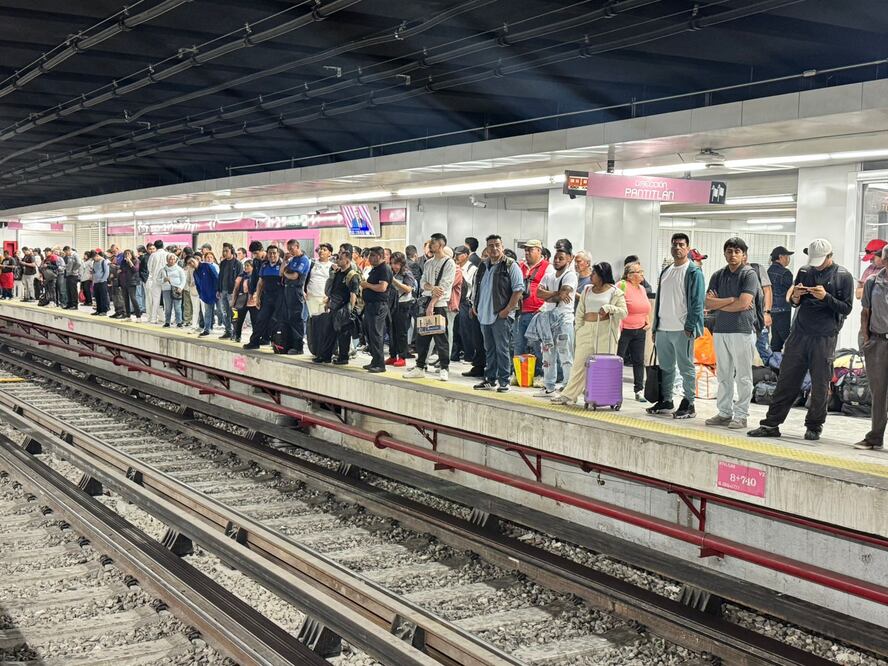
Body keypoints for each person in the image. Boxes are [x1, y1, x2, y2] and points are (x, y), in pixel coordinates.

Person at [748, 239, 854, 442]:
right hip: (799, 333)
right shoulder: (805, 271)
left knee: (820, 383)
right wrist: (795, 297)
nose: (817, 265)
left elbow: (846, 308)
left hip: (824, 336)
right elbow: (796, 302)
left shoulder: (843, 276)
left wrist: (826, 297)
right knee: (787, 379)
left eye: (821, 261)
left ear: (830, 256)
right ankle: (771, 424)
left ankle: (814, 426)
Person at [647, 232, 706, 420]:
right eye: (674, 245)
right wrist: (656, 327)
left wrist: (690, 326)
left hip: (682, 329)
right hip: (664, 328)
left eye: (681, 244)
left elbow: (698, 302)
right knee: (666, 367)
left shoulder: (693, 272)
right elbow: (660, 301)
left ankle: (689, 402)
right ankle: (666, 400)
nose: (677, 248)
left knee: (686, 367)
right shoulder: (666, 271)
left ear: (688, 248)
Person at [551, 262, 627, 405]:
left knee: (603, 366)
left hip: (605, 333)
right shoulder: (587, 290)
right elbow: (580, 312)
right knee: (579, 364)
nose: (591, 276)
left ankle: (601, 397)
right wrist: (579, 329)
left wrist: (610, 308)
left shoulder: (615, 292)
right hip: (586, 330)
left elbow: (624, 312)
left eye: (594, 274)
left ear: (602, 276)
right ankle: (569, 395)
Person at [704, 238, 759, 430]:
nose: (732, 255)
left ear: (744, 254)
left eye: (737, 251)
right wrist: (731, 300)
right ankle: (724, 413)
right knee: (724, 375)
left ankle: (741, 415)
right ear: (724, 253)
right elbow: (708, 303)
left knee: (743, 376)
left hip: (742, 330)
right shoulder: (718, 275)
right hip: (720, 330)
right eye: (729, 251)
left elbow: (744, 304)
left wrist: (721, 304)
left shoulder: (749, 275)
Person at [472, 235, 524, 393]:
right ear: (486, 248)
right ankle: (490, 379)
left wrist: (507, 310)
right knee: (489, 349)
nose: (494, 248)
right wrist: (475, 305)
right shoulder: (483, 265)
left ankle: (504, 380)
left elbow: (518, 289)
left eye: (497, 245)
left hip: (500, 315)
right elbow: (477, 286)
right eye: (490, 246)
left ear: (502, 246)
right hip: (484, 314)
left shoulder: (510, 265)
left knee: (502, 349)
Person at [404, 234, 455, 381]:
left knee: (441, 338)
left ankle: (444, 368)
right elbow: (423, 283)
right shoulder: (428, 263)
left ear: (440, 244)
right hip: (426, 303)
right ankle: (420, 367)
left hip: (439, 305)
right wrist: (432, 289)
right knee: (422, 338)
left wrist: (432, 303)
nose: (430, 245)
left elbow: (444, 286)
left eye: (432, 243)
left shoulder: (449, 263)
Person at [532, 246, 577, 397]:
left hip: (564, 320)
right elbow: (538, 293)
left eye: (561, 258)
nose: (557, 261)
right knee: (547, 354)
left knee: (565, 354)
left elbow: (563, 294)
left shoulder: (570, 276)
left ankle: (567, 387)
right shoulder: (549, 275)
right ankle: (549, 386)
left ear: (570, 258)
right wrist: (556, 293)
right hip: (547, 319)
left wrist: (550, 295)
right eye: (555, 258)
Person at [856, 245, 888, 451]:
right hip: (878, 342)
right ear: (884, 260)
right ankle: (875, 436)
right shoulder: (873, 282)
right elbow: (865, 312)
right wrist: (866, 339)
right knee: (879, 392)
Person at [316, 250, 362, 365]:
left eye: (340, 258)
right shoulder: (337, 273)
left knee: (343, 335)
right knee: (329, 333)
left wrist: (351, 311)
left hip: (344, 309)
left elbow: (353, 294)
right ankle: (325, 356)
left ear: (347, 260)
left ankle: (343, 357)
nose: (338, 260)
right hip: (334, 307)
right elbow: (333, 290)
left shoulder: (352, 275)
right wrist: (328, 302)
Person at [516, 240, 553, 375]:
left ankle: (539, 375)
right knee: (519, 345)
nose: (527, 253)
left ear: (539, 250)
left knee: (538, 347)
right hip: (521, 312)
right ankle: (520, 374)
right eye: (525, 250)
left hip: (538, 313)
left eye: (530, 250)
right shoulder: (520, 266)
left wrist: (543, 308)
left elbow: (552, 290)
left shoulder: (548, 267)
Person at [617, 261, 652, 402]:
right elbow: (616, 305)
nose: (642, 273)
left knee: (638, 361)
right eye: (638, 271)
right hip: (624, 330)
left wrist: (647, 319)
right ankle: (614, 388)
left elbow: (645, 307)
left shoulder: (642, 288)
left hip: (640, 330)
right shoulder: (622, 285)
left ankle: (639, 391)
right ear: (630, 275)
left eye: (642, 270)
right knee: (618, 360)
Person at [244, 246, 284, 350]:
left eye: (274, 253)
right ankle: (254, 342)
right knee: (261, 319)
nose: (272, 255)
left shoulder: (283, 265)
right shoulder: (264, 265)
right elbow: (260, 282)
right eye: (270, 253)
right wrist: (257, 297)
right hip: (267, 297)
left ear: (278, 254)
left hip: (279, 298)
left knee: (276, 321)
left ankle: (277, 344)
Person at [360, 247, 392, 373]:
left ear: (379, 256)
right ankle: (375, 360)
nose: (369, 259)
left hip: (378, 306)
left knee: (376, 334)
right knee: (370, 334)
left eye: (372, 256)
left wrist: (367, 285)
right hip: (371, 305)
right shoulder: (376, 269)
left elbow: (382, 287)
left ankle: (380, 364)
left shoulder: (384, 269)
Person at [386, 251, 416, 367]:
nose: (394, 266)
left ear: (402, 263)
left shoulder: (406, 273)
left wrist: (394, 281)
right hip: (391, 304)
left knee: (401, 332)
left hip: (403, 304)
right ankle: (393, 355)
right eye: (392, 263)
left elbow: (408, 289)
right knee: (391, 331)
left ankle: (402, 356)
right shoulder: (390, 272)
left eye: (397, 263)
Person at [281, 239, 310, 354]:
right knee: (288, 318)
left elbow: (294, 276)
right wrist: (284, 260)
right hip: (287, 290)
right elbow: (281, 272)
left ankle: (298, 347)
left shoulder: (304, 260)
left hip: (296, 291)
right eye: (288, 249)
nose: (290, 251)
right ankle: (289, 344)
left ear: (297, 246)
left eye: (291, 249)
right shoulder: (292, 259)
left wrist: (285, 273)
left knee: (296, 319)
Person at [453, 245, 478, 364]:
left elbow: (471, 284)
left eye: (459, 254)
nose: (457, 256)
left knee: (466, 330)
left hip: (465, 302)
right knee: (454, 328)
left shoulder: (472, 268)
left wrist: (460, 272)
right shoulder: (454, 266)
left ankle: (469, 355)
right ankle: (454, 355)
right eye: (456, 254)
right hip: (455, 300)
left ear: (466, 255)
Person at [767, 246, 795, 352]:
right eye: (787, 256)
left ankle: (775, 366)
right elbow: (792, 291)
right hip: (783, 311)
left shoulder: (768, 271)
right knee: (789, 341)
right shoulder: (785, 273)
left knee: (776, 342)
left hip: (771, 311)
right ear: (781, 257)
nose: (788, 259)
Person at [193, 253, 220, 337]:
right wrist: (201, 294)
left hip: (216, 292)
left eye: (211, 257)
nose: (209, 259)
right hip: (207, 294)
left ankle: (229, 329)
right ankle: (207, 329)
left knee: (221, 311)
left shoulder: (211, 266)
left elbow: (216, 278)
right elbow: (198, 284)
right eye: (207, 257)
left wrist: (218, 290)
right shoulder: (197, 271)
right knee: (207, 312)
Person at [216, 245, 240, 339]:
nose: (224, 253)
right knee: (225, 312)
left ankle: (235, 332)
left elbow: (239, 278)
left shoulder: (237, 264)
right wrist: (218, 289)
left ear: (232, 251)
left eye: (226, 251)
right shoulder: (222, 263)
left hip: (232, 292)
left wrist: (236, 291)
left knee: (234, 313)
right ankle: (228, 331)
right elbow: (220, 277)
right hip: (223, 291)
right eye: (223, 251)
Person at [306, 243, 333, 316]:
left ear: (330, 253)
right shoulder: (311, 263)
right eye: (320, 249)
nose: (321, 251)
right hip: (311, 296)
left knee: (322, 321)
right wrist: (303, 291)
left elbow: (333, 283)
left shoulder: (332, 266)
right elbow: (304, 278)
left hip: (324, 298)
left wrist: (329, 297)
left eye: (324, 250)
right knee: (312, 320)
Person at [230, 260, 254, 343]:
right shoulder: (241, 276)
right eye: (245, 266)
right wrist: (233, 301)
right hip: (242, 299)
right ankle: (237, 335)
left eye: (248, 266)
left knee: (254, 320)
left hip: (252, 300)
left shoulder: (256, 276)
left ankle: (254, 338)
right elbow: (236, 289)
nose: (246, 267)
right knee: (239, 319)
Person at [146, 239, 169, 324]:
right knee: (167, 300)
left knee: (155, 300)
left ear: (155, 246)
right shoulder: (168, 254)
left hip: (155, 280)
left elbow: (149, 267)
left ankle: (153, 318)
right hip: (166, 280)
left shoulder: (153, 255)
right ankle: (167, 318)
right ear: (163, 245)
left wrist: (153, 273)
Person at [160, 253, 185, 327]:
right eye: (170, 259)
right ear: (167, 260)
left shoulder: (179, 269)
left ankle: (179, 322)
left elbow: (183, 279)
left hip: (177, 289)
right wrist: (163, 280)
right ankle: (167, 322)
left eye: (173, 259)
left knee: (177, 307)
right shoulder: (163, 269)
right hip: (166, 289)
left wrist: (180, 287)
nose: (172, 260)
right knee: (168, 307)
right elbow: (157, 280)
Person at [119, 249, 143, 319]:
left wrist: (129, 261)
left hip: (132, 282)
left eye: (128, 254)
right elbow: (121, 270)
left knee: (133, 298)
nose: (127, 255)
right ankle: (128, 316)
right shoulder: (123, 262)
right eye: (125, 254)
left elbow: (135, 270)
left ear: (132, 254)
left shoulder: (136, 261)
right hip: (124, 282)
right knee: (125, 299)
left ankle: (138, 316)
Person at [91, 251, 110, 316]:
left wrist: (103, 279)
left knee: (103, 297)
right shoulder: (94, 262)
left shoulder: (104, 261)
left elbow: (106, 272)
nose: (94, 259)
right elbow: (94, 271)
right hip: (96, 282)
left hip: (102, 282)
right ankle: (98, 310)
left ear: (97, 256)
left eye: (94, 258)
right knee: (97, 297)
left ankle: (104, 311)